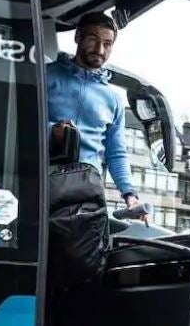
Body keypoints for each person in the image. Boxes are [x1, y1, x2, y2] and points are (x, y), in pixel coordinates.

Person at [46, 11, 141, 213]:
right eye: (93, 39)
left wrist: (129, 195)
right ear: (78, 37)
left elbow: (115, 152)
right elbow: (19, 121)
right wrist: (51, 131)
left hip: (86, 192)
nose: (100, 49)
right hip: (42, 182)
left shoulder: (113, 99)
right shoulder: (45, 76)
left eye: (107, 44)